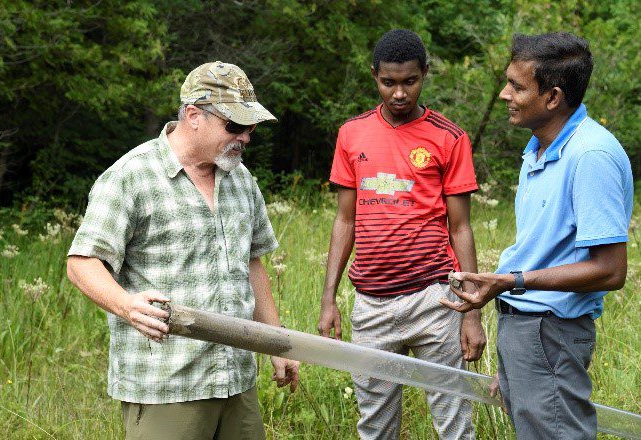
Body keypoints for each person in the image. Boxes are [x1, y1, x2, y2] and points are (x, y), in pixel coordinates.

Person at [67, 61, 299, 440]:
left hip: (237, 381)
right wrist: (127, 305)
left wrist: (275, 342)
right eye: (234, 126)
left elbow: (251, 263)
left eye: (251, 127)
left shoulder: (241, 178)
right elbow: (82, 263)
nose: (246, 138)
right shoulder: (132, 175)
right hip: (167, 385)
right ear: (193, 115)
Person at [441, 33, 633, 440]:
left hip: (551, 329)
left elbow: (611, 270)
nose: (504, 93)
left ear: (553, 97)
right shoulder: (538, 148)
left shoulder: (590, 155)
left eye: (517, 86)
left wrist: (512, 281)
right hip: (527, 328)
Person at [318, 29, 485, 440]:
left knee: (454, 424)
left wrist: (473, 312)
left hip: (435, 299)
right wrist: (328, 298)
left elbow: (460, 227)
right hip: (371, 306)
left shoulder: (450, 137)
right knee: (374, 426)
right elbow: (345, 220)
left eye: (409, 81)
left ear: (425, 74)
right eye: (388, 82)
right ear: (374, 76)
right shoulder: (351, 134)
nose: (398, 93)